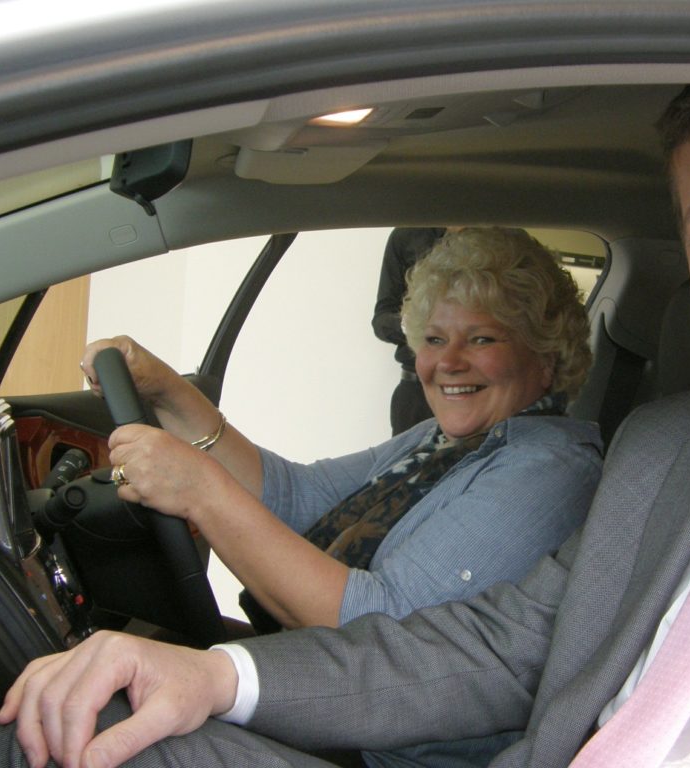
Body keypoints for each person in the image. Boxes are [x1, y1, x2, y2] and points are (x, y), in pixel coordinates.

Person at [2, 85, 690, 768]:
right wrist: (217, 672)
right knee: (90, 732)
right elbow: (488, 650)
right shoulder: (671, 446)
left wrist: (199, 490)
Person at [34, 226, 602, 768]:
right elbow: (298, 495)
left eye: (481, 339)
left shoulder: (549, 468)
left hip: (378, 750)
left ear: (545, 356)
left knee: (71, 736)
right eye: (434, 339)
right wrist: (171, 395)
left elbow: (379, 631)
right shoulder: (447, 441)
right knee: (91, 676)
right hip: (323, 700)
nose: (447, 363)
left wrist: (200, 493)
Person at [372, 226, 447, 435]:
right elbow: (381, 321)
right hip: (416, 393)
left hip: (481, 391)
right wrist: (416, 324)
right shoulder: (406, 235)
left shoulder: (503, 236)